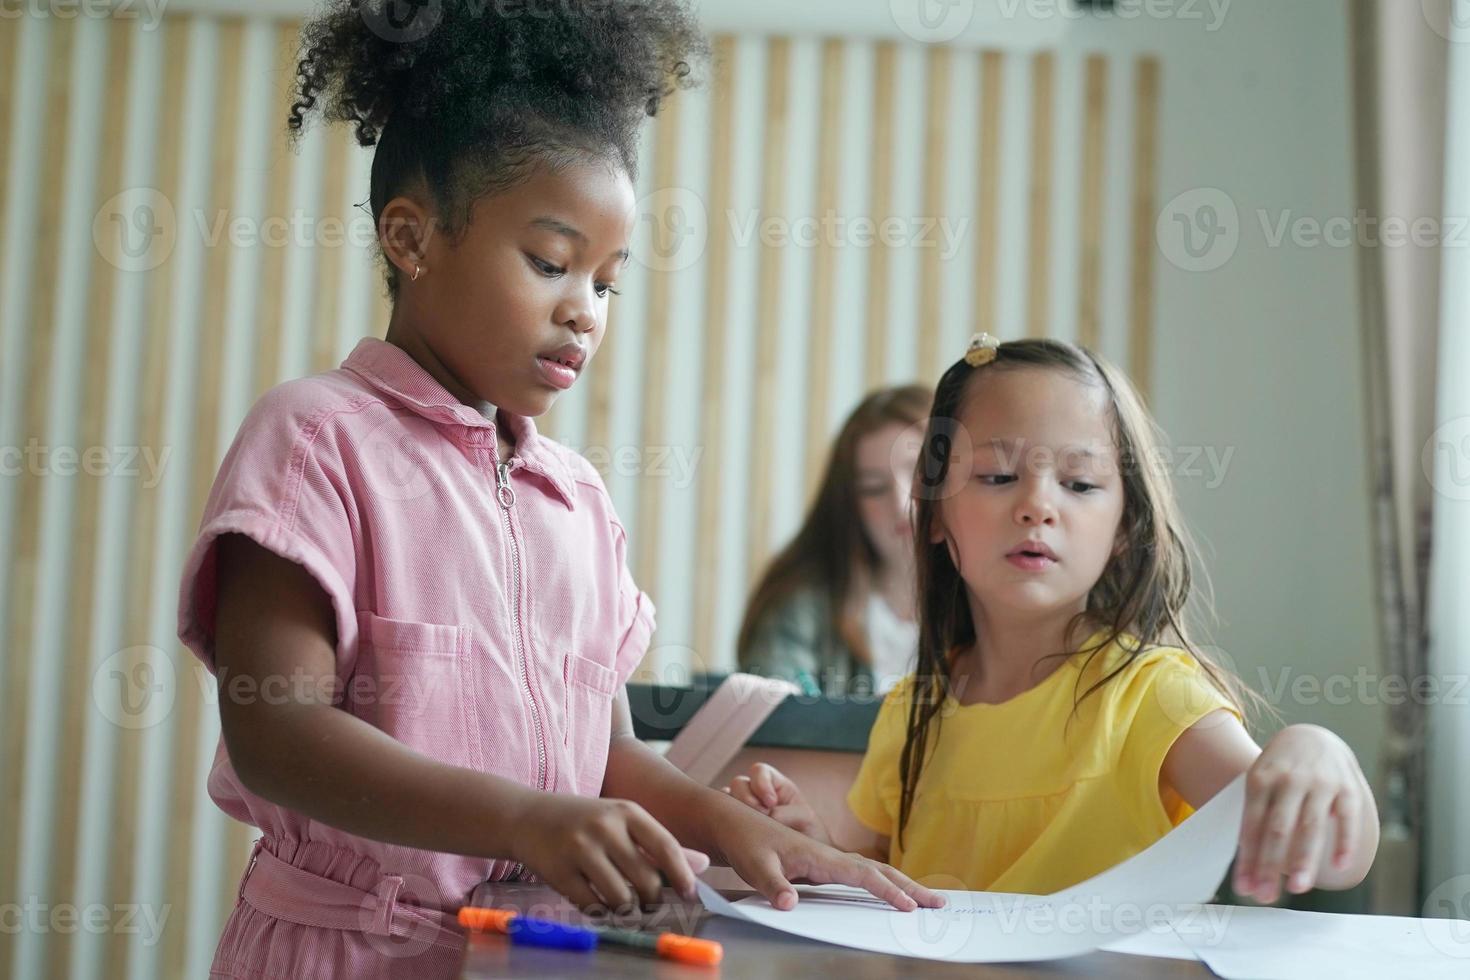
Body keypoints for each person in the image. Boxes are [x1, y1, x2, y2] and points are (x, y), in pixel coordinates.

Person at [177, 4, 941, 976]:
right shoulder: (317, 437)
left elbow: (603, 751)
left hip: (532, 954)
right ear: (411, 238)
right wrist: (527, 818)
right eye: (550, 262)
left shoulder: (575, 498)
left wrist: (741, 831)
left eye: (609, 282)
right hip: (348, 948)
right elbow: (276, 730)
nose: (584, 310)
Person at [726, 334, 1379, 903]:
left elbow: (1329, 861)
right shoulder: (913, 710)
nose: (1038, 505)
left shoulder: (1152, 695)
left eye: (1080, 484)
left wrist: (1316, 752)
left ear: (1125, 526)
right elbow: (886, 879)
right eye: (998, 475)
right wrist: (817, 848)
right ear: (933, 516)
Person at [738, 385, 930, 697]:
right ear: (849, 503)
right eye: (873, 488)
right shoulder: (801, 603)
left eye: (921, 475)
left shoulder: (995, 603)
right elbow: (774, 728)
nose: (901, 503)